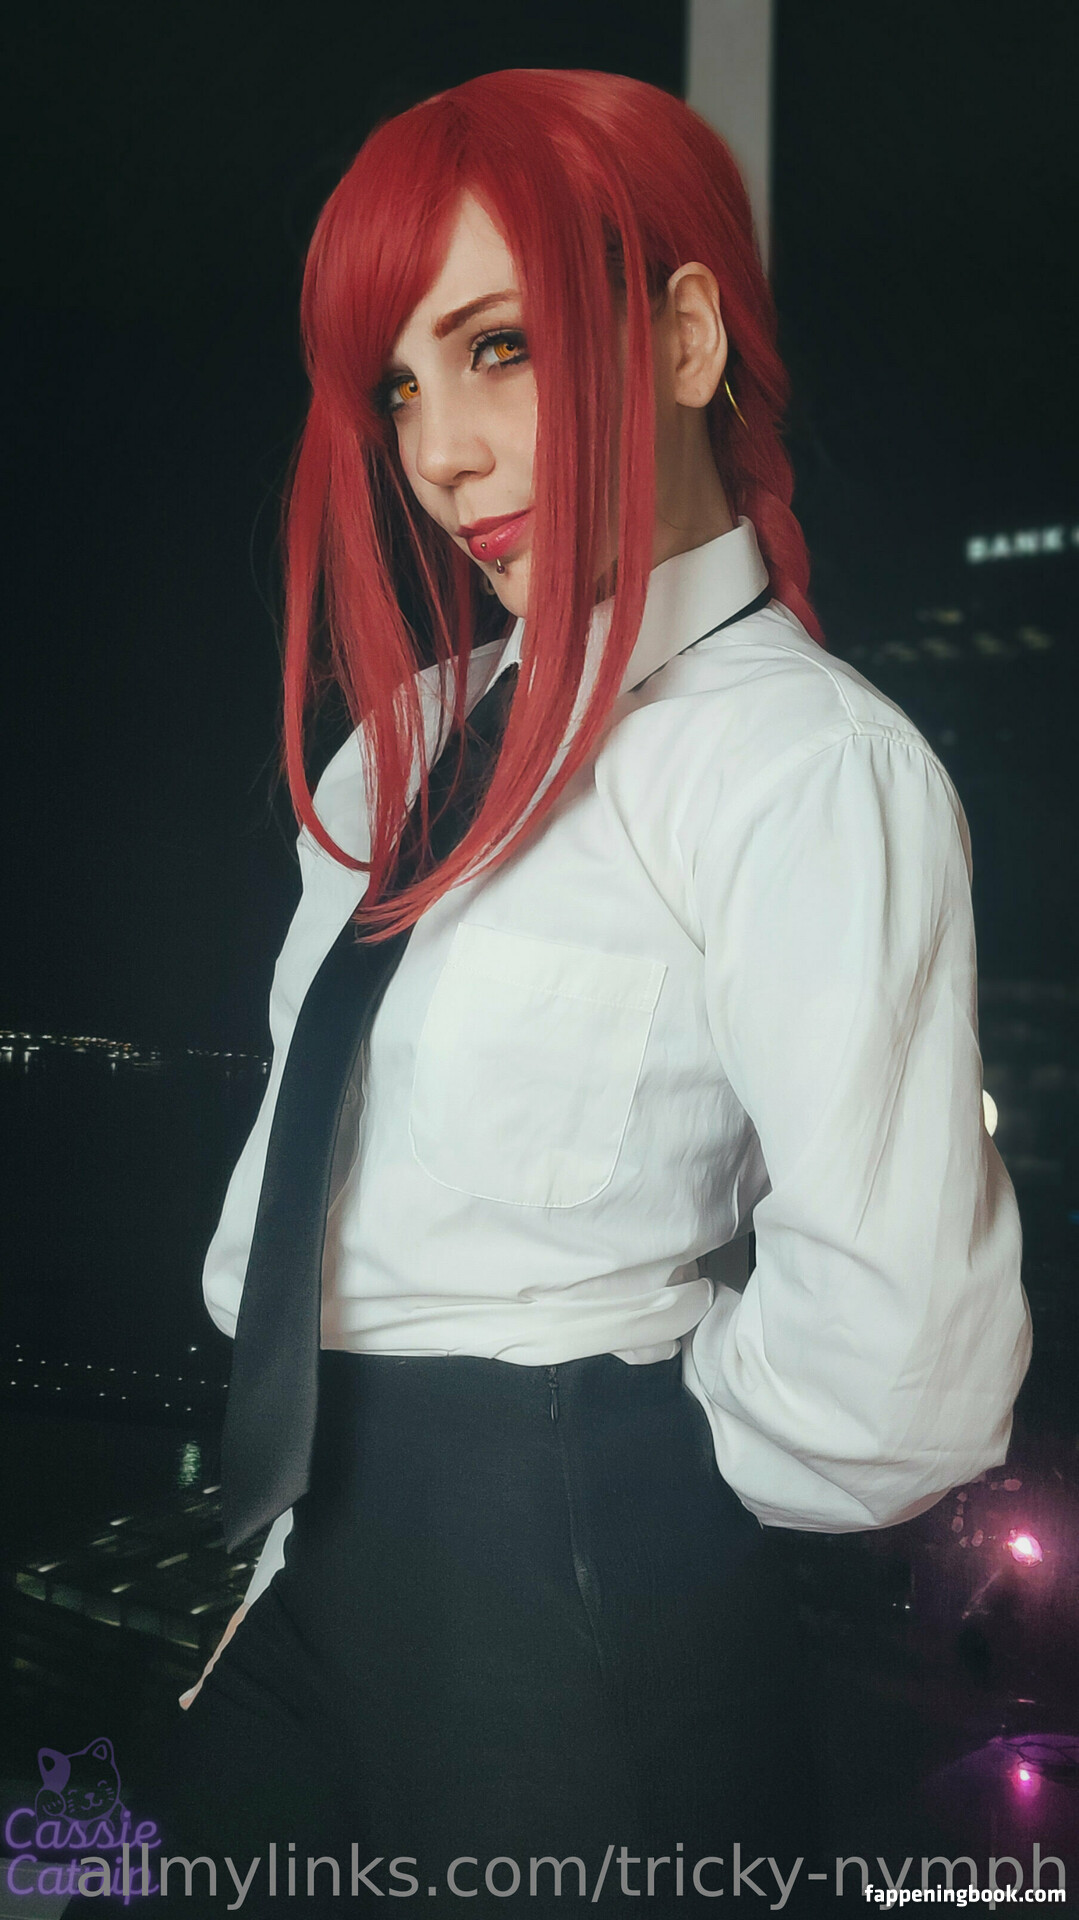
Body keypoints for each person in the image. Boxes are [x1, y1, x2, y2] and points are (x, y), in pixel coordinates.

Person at [63, 67, 1031, 1918]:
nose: (437, 452)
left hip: (576, 1592)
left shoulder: (801, 764)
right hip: (305, 1546)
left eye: (496, 348)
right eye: (398, 387)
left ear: (685, 340)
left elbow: (904, 1355)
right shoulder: (409, 739)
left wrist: (620, 1451)